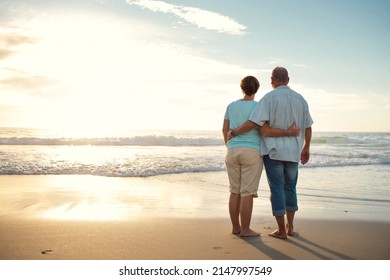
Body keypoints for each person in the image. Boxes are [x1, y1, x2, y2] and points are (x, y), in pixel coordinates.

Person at [229, 67, 313, 239]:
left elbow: (256, 124)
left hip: (273, 152)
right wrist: (306, 147)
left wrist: (235, 132)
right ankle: (290, 227)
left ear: (272, 80)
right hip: (293, 152)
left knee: (277, 189)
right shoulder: (301, 100)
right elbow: (308, 126)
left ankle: (281, 230)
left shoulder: (268, 99)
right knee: (290, 188)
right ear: (288, 80)